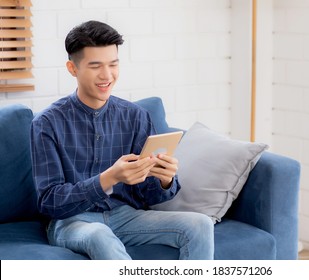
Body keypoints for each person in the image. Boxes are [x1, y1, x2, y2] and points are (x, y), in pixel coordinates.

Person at [30, 20, 214, 260]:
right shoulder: (47, 123)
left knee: (200, 224)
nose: (107, 75)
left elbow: (151, 196)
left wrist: (165, 179)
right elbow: (50, 201)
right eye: (95, 66)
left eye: (113, 64)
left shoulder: (135, 116)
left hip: (126, 216)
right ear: (72, 68)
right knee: (99, 235)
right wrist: (110, 177)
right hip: (73, 221)